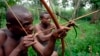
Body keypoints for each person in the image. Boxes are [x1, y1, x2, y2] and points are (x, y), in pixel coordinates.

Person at [0, 5, 70, 56]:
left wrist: (53, 38)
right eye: (26, 25)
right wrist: (19, 48)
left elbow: (44, 53)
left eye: (31, 23)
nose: (31, 28)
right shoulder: (2, 36)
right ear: (9, 26)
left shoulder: (27, 33)